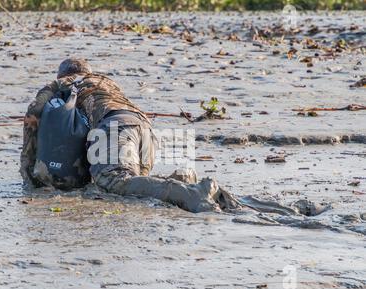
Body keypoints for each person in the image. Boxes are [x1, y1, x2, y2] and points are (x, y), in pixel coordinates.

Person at [21, 58, 328, 216]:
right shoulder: (106, 84)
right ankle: (188, 183)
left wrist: (28, 175)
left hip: (114, 128)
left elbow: (33, 119)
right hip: (144, 131)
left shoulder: (62, 84)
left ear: (65, 73)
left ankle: (193, 194)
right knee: (128, 184)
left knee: (111, 181)